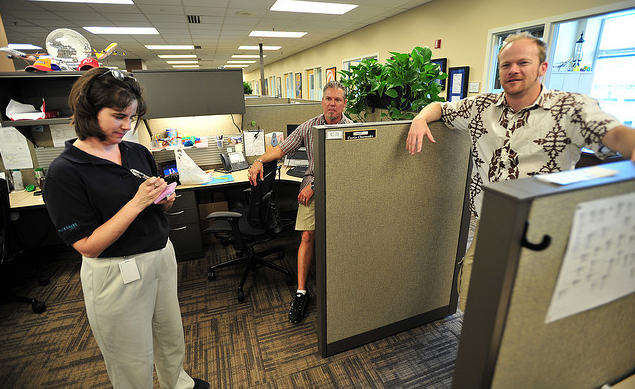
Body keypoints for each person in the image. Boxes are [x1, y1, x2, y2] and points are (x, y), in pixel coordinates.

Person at [406, 32, 635, 312]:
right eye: (506, 64)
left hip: (545, 227)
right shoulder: (482, 107)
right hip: (490, 223)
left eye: (523, 63)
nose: (513, 70)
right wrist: (419, 118)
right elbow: (441, 108)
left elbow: (613, 133)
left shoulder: (571, 108)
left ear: (542, 68)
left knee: (528, 310)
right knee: (472, 299)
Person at [43, 67, 209, 389]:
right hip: (117, 271)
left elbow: (153, 205)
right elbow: (88, 245)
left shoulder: (137, 151)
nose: (126, 125)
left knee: (170, 335)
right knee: (131, 357)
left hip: (160, 256)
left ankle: (178, 383)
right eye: (118, 116)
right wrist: (136, 202)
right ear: (89, 112)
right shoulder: (65, 172)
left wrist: (163, 201)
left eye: (131, 117)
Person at [248, 80, 353, 324]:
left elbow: (348, 169)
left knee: (340, 238)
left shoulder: (352, 129)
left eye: (338, 100)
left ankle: (340, 287)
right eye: (329, 99)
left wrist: (314, 186)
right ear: (322, 101)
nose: (332, 104)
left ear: (344, 104)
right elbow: (282, 150)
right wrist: (259, 161)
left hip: (339, 189)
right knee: (307, 236)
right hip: (312, 188)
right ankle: (301, 291)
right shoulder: (310, 127)